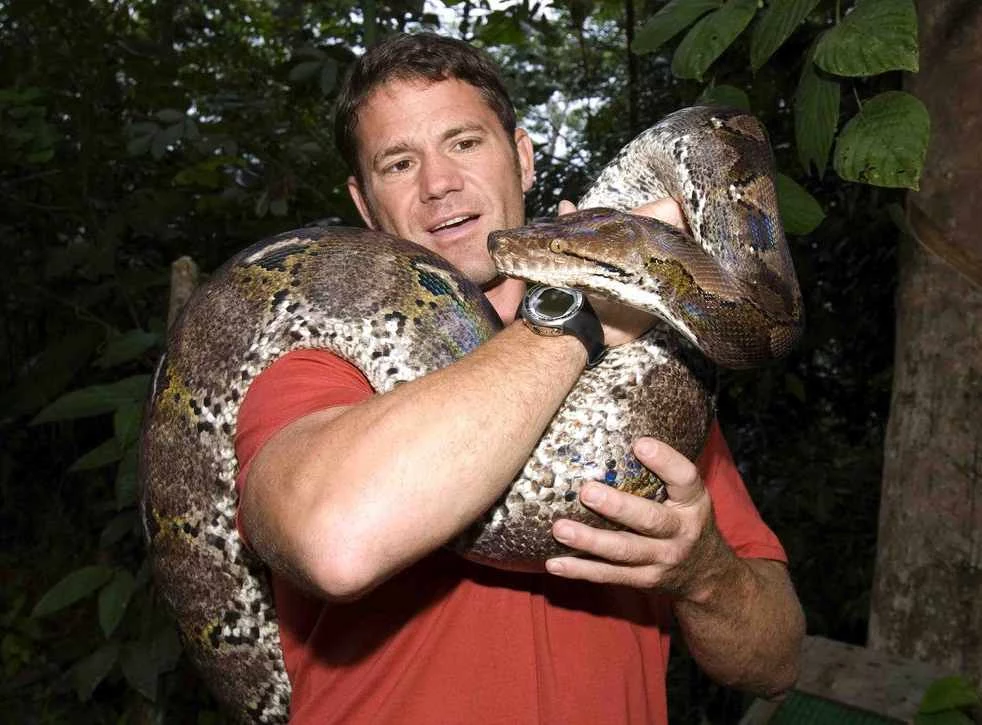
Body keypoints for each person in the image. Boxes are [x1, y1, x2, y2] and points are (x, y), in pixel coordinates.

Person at [234, 32, 804, 724]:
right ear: (364, 204)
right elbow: (336, 541)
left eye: (465, 142)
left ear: (525, 157)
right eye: (398, 162)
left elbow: (777, 663)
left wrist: (703, 572)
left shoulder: (660, 372)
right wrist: (578, 324)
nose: (438, 182)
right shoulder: (318, 361)